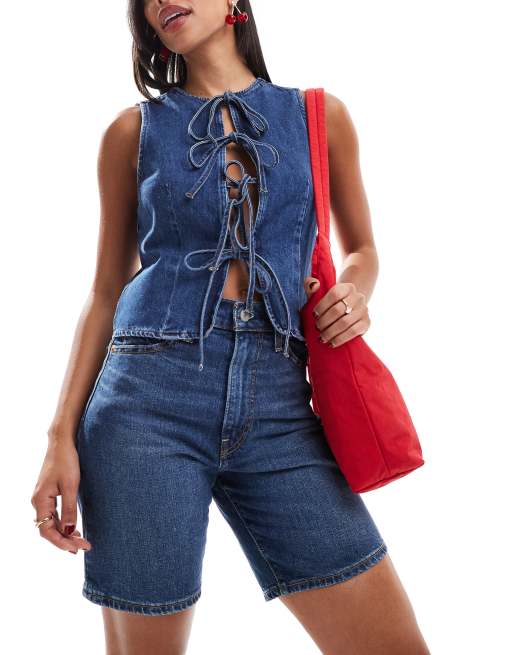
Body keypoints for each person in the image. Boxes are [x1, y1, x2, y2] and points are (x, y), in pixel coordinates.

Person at [31, 1, 430, 653]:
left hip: (281, 407)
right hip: (145, 406)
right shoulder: (131, 132)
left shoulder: (318, 115)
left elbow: (362, 249)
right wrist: (59, 438)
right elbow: (104, 291)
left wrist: (355, 291)